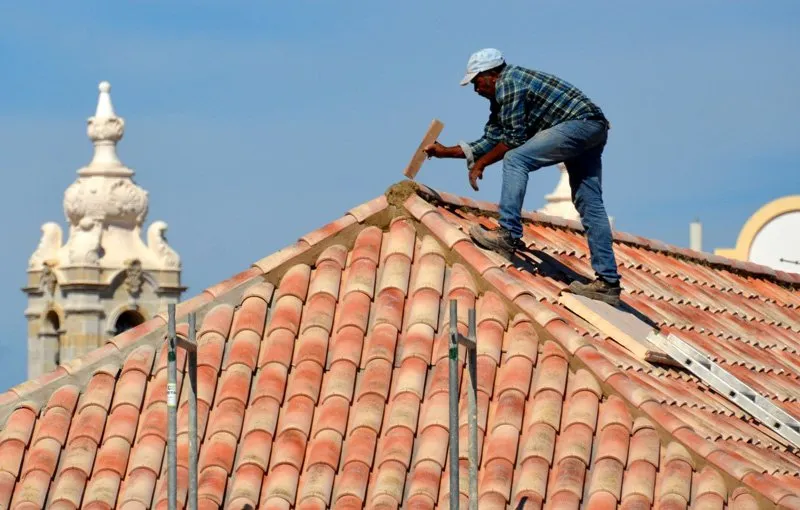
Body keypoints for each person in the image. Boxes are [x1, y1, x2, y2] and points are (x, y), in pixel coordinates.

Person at [423, 48, 622, 305]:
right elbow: (492, 139)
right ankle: (608, 283)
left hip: (579, 125)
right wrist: (443, 152)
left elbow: (513, 141)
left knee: (516, 158)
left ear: (491, 74)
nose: (476, 89)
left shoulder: (509, 84)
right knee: (589, 203)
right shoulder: (502, 96)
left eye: (476, 81)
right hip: (594, 128)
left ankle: (507, 235)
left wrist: (480, 165)